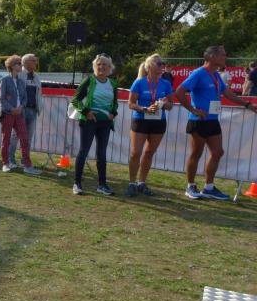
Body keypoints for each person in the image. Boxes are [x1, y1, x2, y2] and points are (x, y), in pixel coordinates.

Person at [176, 45, 256, 200]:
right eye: (222, 55)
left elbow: (228, 94)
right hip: (199, 121)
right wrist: (193, 110)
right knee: (196, 154)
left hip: (213, 120)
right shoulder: (199, 73)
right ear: (212, 57)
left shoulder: (216, 75)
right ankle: (190, 186)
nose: (225, 57)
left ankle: (209, 188)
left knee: (218, 152)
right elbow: (179, 91)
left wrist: (247, 105)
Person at [70, 54, 119, 196]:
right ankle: (77, 184)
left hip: (105, 123)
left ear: (110, 68)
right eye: (99, 64)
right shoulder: (89, 80)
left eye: (104, 64)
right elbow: (75, 100)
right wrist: (87, 112)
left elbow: (115, 103)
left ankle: (102, 185)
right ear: (94, 67)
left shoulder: (113, 84)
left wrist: (113, 113)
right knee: (83, 151)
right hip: (89, 122)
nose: (101, 67)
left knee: (102, 154)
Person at [126, 54, 174, 196]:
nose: (162, 66)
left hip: (158, 122)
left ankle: (141, 183)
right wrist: (144, 109)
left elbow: (171, 105)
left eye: (163, 63)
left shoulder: (166, 84)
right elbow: (131, 104)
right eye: (159, 64)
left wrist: (164, 104)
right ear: (150, 66)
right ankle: (131, 183)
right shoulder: (139, 83)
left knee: (149, 153)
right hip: (141, 120)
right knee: (136, 153)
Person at [0, 55, 41, 174]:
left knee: (24, 139)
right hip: (8, 114)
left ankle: (27, 165)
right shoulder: (5, 80)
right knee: (6, 139)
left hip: (19, 114)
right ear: (12, 66)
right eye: (18, 63)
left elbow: (24, 98)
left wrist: (20, 107)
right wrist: (12, 109)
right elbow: (1, 98)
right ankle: (6, 163)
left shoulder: (21, 81)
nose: (20, 65)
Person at [8, 53, 43, 168]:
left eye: (35, 60)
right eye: (33, 60)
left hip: (33, 110)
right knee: (15, 136)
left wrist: (39, 107)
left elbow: (39, 94)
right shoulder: (18, 74)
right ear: (26, 63)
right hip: (20, 110)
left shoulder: (36, 77)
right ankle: (10, 159)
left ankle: (25, 160)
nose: (36, 62)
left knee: (28, 138)